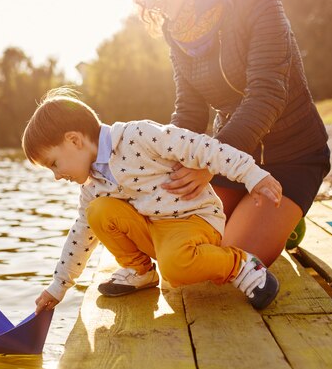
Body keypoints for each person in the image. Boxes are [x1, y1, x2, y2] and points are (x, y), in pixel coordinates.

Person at [113, 0, 330, 267]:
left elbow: (267, 94)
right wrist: (156, 165)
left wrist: (210, 163)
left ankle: (285, 217)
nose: (153, 3)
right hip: (229, 159)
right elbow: (189, 111)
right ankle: (272, 216)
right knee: (181, 242)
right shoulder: (177, 33)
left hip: (292, 156)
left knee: (228, 259)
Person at [23, 89, 282, 315]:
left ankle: (240, 265)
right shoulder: (93, 185)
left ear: (74, 140)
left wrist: (250, 174)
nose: (57, 176)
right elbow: (80, 236)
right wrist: (58, 287)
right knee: (97, 212)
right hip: (155, 232)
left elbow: (202, 147)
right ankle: (140, 271)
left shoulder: (138, 136)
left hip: (192, 220)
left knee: (175, 268)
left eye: (54, 164)